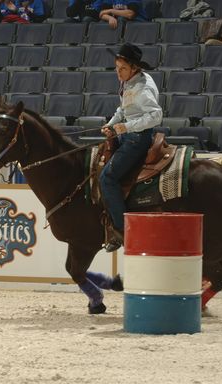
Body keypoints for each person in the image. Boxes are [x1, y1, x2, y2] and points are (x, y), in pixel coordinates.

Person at [99, 43, 162, 252]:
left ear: (134, 67)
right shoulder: (130, 81)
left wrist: (125, 127)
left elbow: (155, 116)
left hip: (137, 138)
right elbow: (123, 107)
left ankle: (121, 230)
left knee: (107, 178)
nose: (118, 73)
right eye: (116, 68)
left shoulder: (143, 89)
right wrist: (112, 124)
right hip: (128, 133)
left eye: (122, 69)